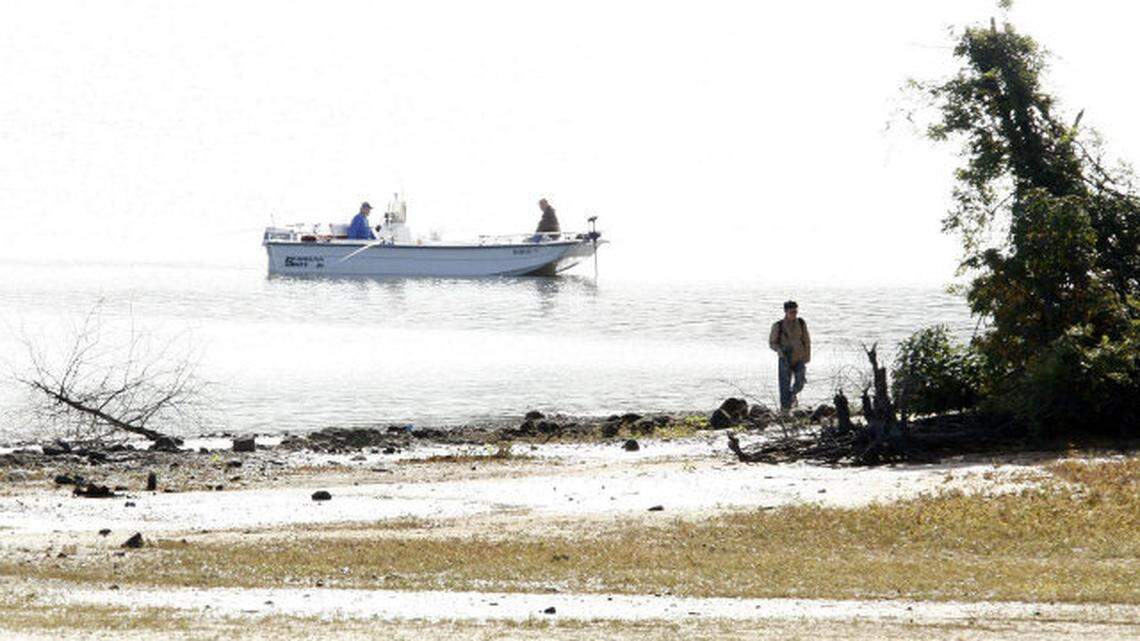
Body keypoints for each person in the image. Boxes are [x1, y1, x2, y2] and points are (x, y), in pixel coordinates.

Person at [768, 300, 811, 411]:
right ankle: (785, 410)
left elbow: (806, 340)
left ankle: (792, 395)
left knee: (800, 382)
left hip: (799, 358)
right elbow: (772, 343)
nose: (794, 314)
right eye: (792, 312)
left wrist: (807, 357)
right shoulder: (778, 325)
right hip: (785, 359)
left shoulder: (801, 323)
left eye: (796, 311)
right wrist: (779, 350)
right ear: (786, 312)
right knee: (784, 386)